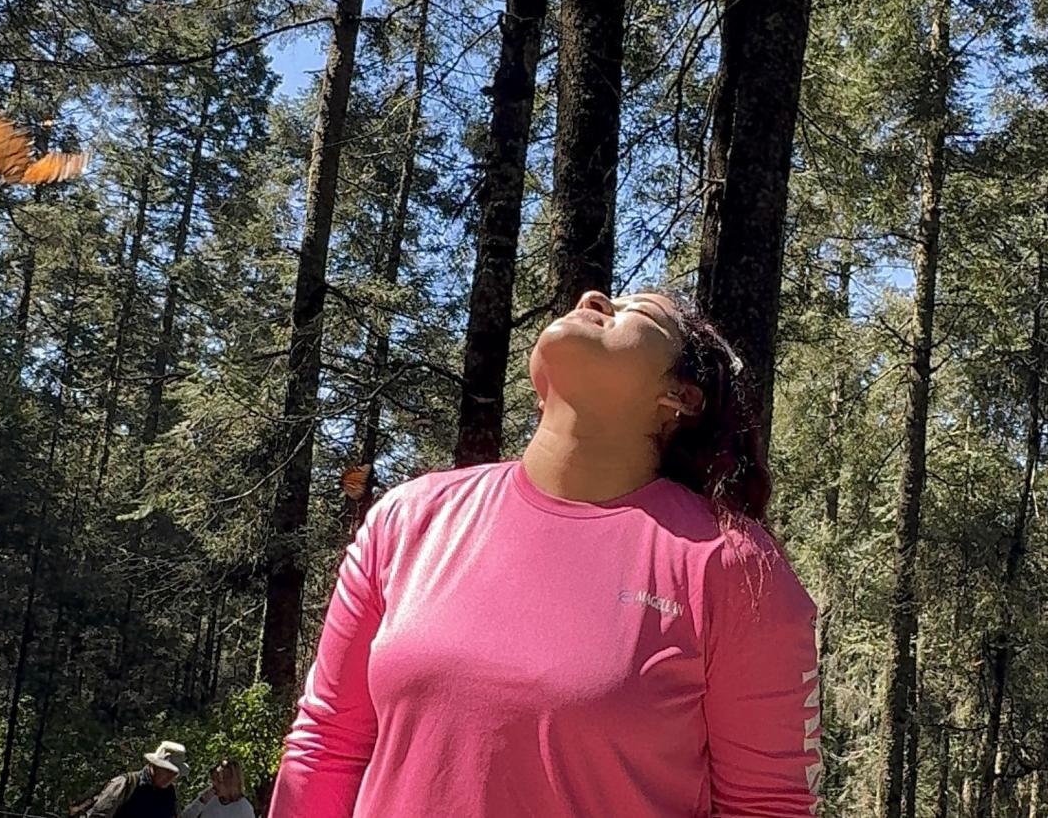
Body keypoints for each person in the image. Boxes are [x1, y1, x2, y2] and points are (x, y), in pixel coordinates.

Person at [268, 290, 823, 817]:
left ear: (682, 397)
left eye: (641, 313)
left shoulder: (733, 567)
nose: (595, 300)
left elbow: (768, 807)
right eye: (600, 296)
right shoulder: (409, 518)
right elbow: (326, 748)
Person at [86, 740, 190, 818]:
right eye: (168, 770)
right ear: (155, 766)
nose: (170, 777)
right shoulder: (127, 784)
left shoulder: (170, 793)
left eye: (175, 773)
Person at [182, 760, 256, 818]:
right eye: (213, 779)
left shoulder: (244, 808)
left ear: (230, 783)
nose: (214, 784)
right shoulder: (208, 797)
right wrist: (201, 802)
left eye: (219, 781)